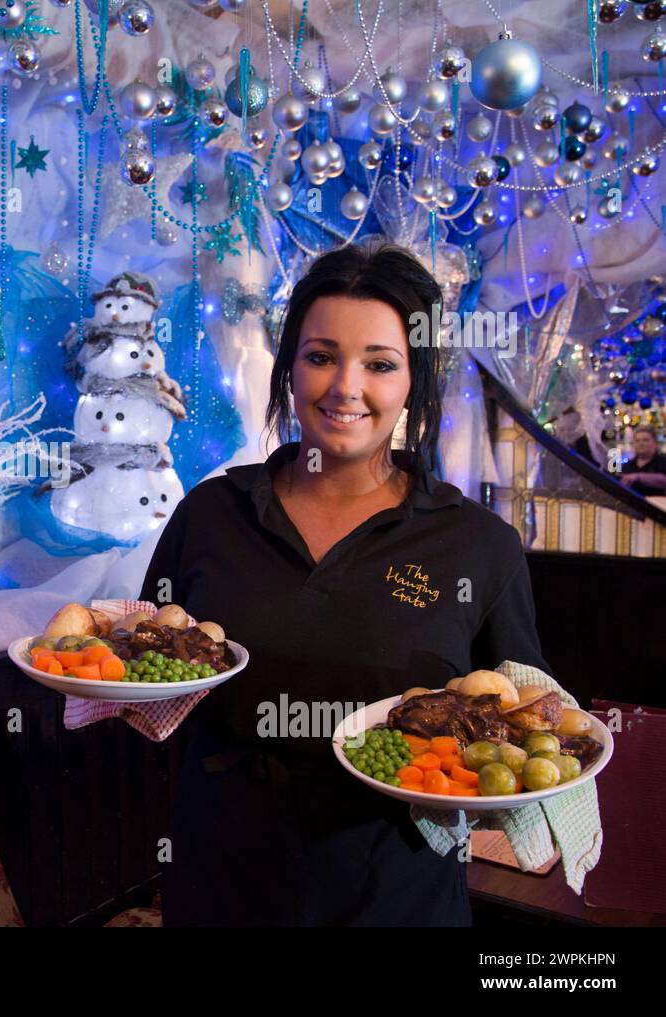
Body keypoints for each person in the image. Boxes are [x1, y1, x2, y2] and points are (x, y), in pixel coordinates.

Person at [140, 241, 551, 926]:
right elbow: (145, 666)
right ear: (291, 365)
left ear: (414, 379)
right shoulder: (210, 515)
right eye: (321, 355)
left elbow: (529, 723)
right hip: (223, 884)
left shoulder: (479, 545)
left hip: (395, 895)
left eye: (381, 364)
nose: (344, 387)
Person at [609, 426, 666, 497]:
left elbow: (663, 481)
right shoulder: (627, 467)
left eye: (645, 440)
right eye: (637, 441)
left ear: (655, 443)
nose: (641, 443)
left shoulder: (663, 461)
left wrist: (638, 477)